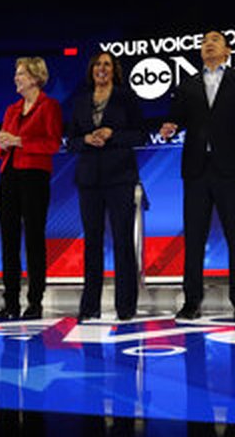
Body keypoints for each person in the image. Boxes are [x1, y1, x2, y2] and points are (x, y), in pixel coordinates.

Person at [159, 30, 235, 322]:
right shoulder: (187, 85)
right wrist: (169, 127)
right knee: (193, 238)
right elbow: (176, 118)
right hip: (195, 171)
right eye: (204, 41)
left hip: (229, 168)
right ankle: (192, 302)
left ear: (227, 51)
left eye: (215, 40)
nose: (208, 44)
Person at [68, 52, 145, 321]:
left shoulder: (126, 98)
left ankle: (126, 307)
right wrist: (86, 138)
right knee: (92, 243)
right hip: (89, 179)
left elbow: (141, 135)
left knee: (123, 241)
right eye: (97, 64)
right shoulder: (80, 102)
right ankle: (90, 307)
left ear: (114, 70)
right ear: (92, 70)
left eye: (107, 65)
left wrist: (113, 134)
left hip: (119, 178)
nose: (102, 69)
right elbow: (71, 141)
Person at [0, 57, 63, 321]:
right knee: (8, 240)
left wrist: (20, 141)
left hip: (34, 175)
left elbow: (53, 144)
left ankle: (35, 301)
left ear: (35, 77)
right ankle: (10, 302)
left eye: (20, 74)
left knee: (34, 238)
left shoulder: (49, 106)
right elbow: (2, 148)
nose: (16, 78)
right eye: (16, 73)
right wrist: (4, 142)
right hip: (9, 174)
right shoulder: (12, 109)